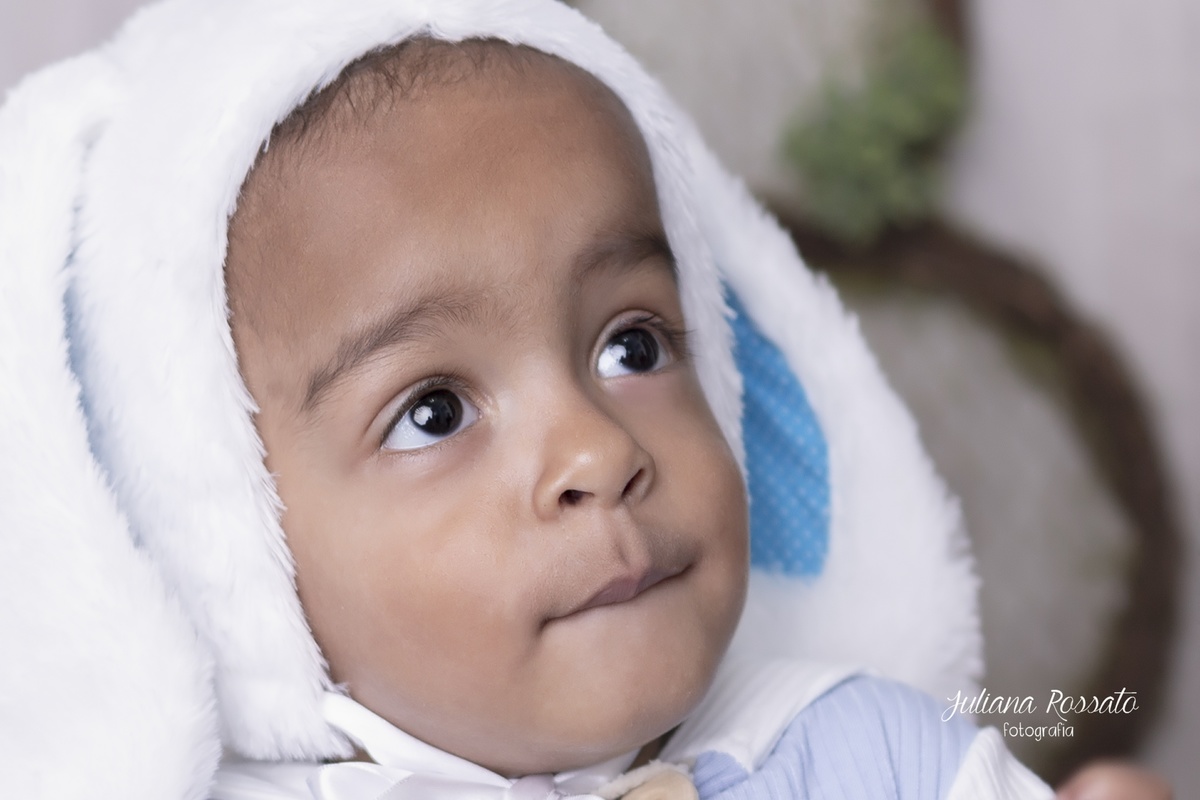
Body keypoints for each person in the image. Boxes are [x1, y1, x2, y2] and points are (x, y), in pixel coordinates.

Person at [0, 1, 1170, 798]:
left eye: (632, 343)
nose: (595, 448)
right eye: (436, 411)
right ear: (228, 557)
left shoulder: (864, 751)